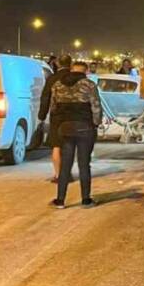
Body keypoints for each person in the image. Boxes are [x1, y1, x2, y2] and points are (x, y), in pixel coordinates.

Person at [50, 61, 102, 209]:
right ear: (85, 71)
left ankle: (60, 200)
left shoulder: (57, 85)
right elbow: (96, 107)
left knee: (65, 164)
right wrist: (96, 123)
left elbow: (53, 108)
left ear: (71, 70)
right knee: (84, 164)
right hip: (85, 128)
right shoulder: (89, 85)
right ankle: (86, 200)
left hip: (65, 128)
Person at [38, 54, 72, 183]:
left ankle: (59, 175)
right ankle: (67, 173)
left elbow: (45, 97)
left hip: (57, 115)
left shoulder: (52, 79)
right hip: (72, 115)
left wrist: (42, 115)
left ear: (57, 64)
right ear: (70, 64)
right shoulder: (74, 78)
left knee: (57, 145)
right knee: (69, 145)